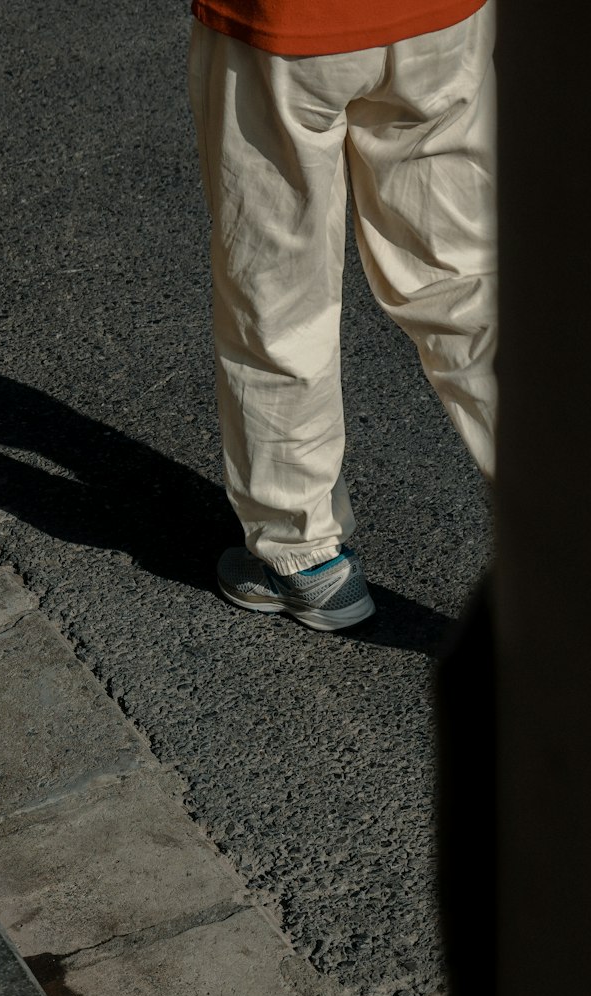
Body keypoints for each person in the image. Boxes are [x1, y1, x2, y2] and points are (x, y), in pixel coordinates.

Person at [188, 0, 496, 631]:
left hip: (286, 24)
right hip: (442, 17)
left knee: (279, 293)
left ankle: (302, 556)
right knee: (467, 287)